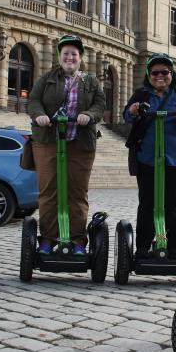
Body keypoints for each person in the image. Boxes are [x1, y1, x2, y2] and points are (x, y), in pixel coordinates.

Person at [28, 35, 105, 255]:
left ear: (80, 57)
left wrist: (89, 115)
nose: (70, 57)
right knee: (49, 191)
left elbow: (100, 105)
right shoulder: (47, 78)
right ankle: (48, 239)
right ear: (60, 57)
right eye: (66, 54)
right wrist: (40, 115)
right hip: (48, 140)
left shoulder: (91, 81)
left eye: (74, 54)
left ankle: (78, 240)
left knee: (77, 192)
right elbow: (33, 100)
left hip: (80, 143)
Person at [124, 53, 176, 257]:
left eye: (165, 72)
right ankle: (142, 247)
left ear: (171, 74)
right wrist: (133, 110)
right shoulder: (141, 95)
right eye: (155, 72)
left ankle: (173, 247)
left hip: (175, 158)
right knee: (147, 203)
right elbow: (127, 115)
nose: (160, 76)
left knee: (171, 204)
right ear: (149, 75)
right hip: (147, 157)